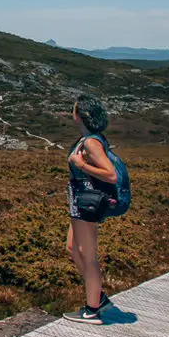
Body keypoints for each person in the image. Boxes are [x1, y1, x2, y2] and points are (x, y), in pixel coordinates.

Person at [63, 94, 119, 324]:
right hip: (79, 203)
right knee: (72, 249)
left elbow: (111, 175)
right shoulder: (88, 138)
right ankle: (98, 296)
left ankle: (92, 309)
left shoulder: (91, 142)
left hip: (87, 204)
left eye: (74, 109)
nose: (71, 112)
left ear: (81, 114)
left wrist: (81, 164)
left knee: (88, 254)